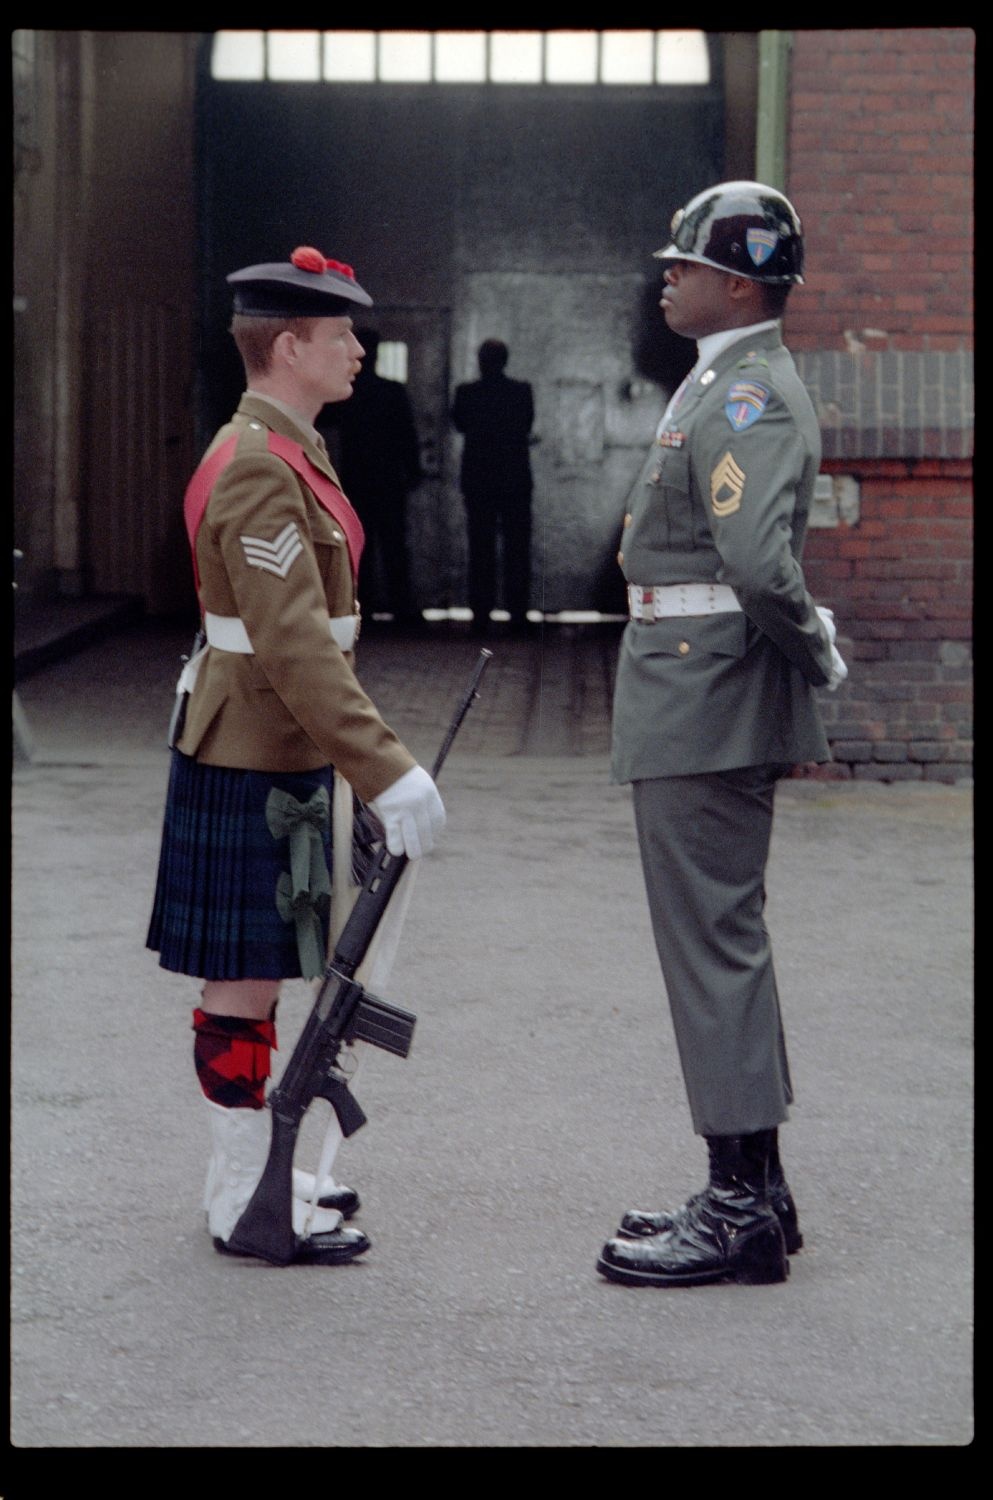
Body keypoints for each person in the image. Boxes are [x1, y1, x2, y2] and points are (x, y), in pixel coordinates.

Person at [146, 245, 446, 1267]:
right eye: (338, 335)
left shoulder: (291, 453)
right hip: (253, 751)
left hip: (278, 749)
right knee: (243, 983)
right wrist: (385, 767)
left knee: (271, 976)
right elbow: (294, 642)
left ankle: (258, 1174)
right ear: (287, 347)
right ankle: (242, 1195)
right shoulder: (258, 471)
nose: (358, 349)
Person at [597, 182, 848, 1290]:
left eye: (684, 264)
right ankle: (762, 1190)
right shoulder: (723, 383)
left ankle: (738, 1205)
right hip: (693, 691)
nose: (668, 277)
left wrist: (814, 647)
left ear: (737, 283)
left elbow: (753, 566)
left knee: (713, 950)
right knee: (721, 942)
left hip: (706, 697)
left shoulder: (749, 397)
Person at [319, 328, 423, 626]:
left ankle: (360, 607)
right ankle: (402, 608)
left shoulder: (346, 393)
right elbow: (408, 435)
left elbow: (322, 419)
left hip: (359, 478)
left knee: (360, 546)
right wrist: (412, 471)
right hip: (388, 480)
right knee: (393, 546)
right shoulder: (391, 392)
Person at [451, 339, 535, 634]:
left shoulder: (467, 393)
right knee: (516, 549)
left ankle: (481, 613)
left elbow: (460, 424)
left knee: (481, 548)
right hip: (514, 478)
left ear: (481, 361)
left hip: (479, 479)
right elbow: (525, 425)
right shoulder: (520, 392)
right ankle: (517, 613)